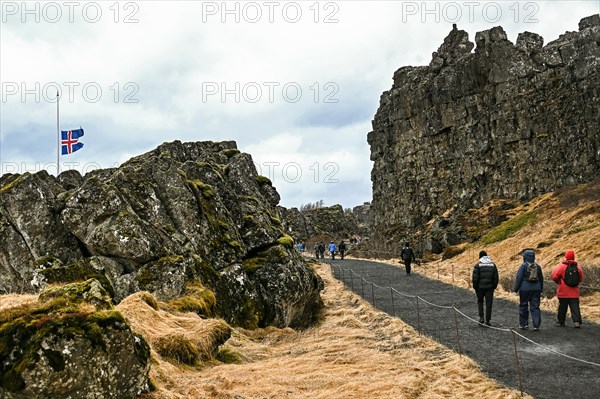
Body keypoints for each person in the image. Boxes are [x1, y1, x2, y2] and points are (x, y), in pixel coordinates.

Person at [551, 250, 584, 328]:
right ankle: (577, 322)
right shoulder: (578, 267)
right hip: (574, 292)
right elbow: (581, 278)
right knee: (575, 307)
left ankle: (561, 322)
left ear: (566, 257)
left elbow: (554, 276)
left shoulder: (562, 266)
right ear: (573, 257)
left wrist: (559, 281)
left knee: (562, 307)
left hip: (563, 291)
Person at [513, 249, 543, 331]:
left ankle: (524, 324)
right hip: (536, 289)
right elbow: (541, 279)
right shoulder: (538, 266)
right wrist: (540, 289)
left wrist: (515, 289)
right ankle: (536, 325)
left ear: (525, 257)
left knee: (523, 306)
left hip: (525, 289)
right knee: (535, 307)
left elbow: (519, 278)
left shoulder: (523, 266)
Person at [472, 250, 499, 326]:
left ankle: (481, 318)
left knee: (480, 302)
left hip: (480, 288)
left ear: (480, 257)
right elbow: (496, 278)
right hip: (490, 288)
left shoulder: (477, 266)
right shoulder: (493, 265)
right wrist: (494, 286)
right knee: (489, 304)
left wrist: (475, 287)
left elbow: (475, 279)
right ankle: (488, 320)